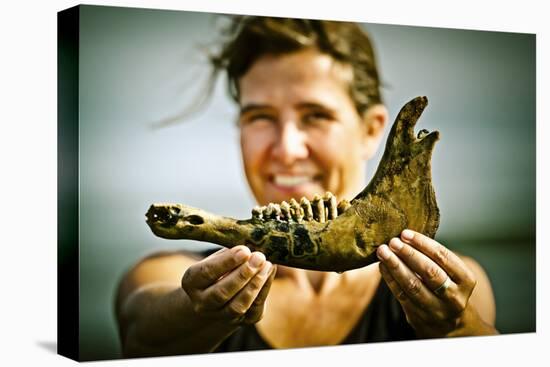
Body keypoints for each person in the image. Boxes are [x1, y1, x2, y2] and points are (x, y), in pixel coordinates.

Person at [114, 16, 498, 358]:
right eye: (261, 117)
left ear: (370, 131)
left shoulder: (451, 288)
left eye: (316, 115)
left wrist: (460, 331)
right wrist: (192, 311)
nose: (287, 149)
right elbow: (144, 334)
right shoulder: (165, 272)